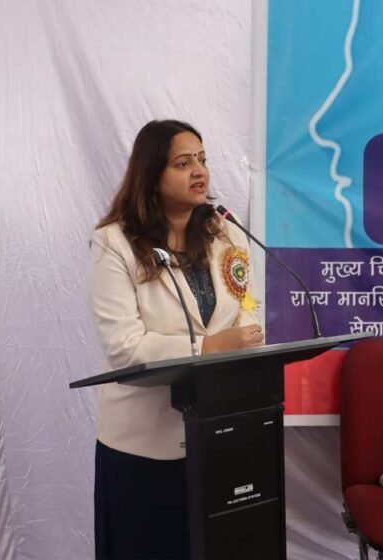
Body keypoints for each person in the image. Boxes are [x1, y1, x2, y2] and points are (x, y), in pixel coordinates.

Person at [88, 119, 264, 559]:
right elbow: (123, 346)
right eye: (183, 163)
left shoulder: (226, 230)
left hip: (219, 433)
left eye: (202, 160)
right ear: (152, 175)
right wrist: (207, 349)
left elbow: (247, 303)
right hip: (144, 447)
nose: (199, 171)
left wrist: (245, 336)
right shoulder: (115, 243)